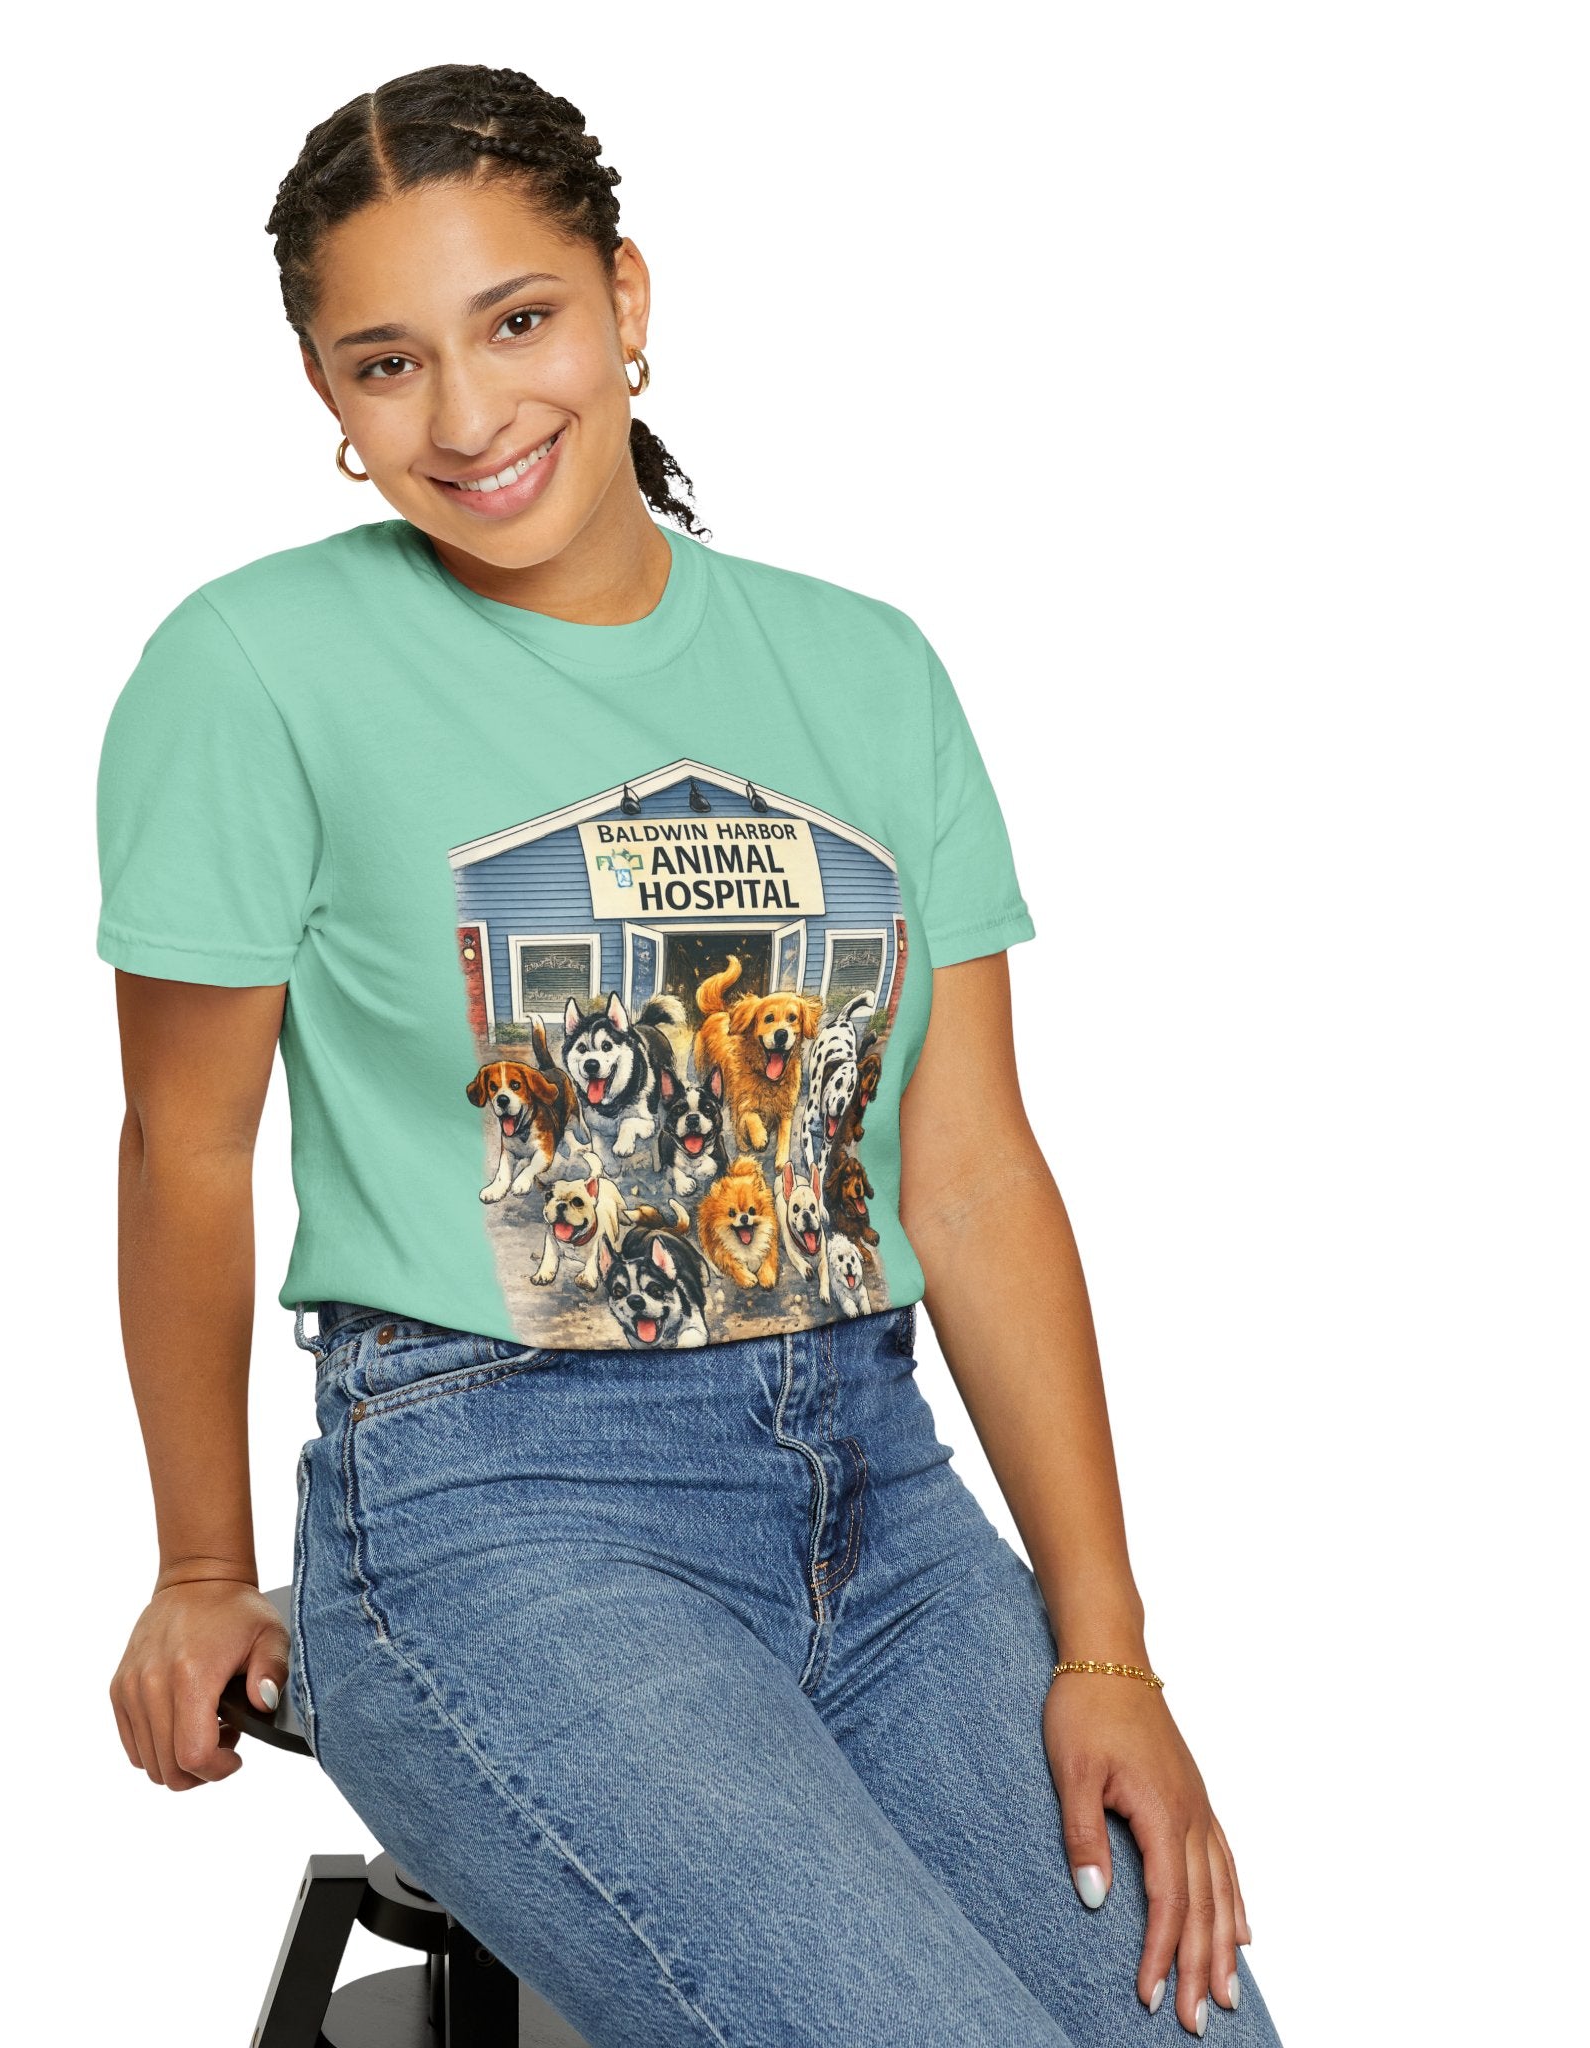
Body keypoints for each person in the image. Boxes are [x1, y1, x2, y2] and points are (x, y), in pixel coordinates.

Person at [95, 62, 1283, 2048]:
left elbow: (971, 1168)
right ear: (325, 394)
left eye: (519, 321)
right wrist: (202, 1559)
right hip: (492, 1512)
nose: (466, 415)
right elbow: (184, 1146)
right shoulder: (253, 668)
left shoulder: (865, 668)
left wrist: (1107, 1651)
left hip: (882, 1503)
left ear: (625, 297)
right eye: (386, 363)